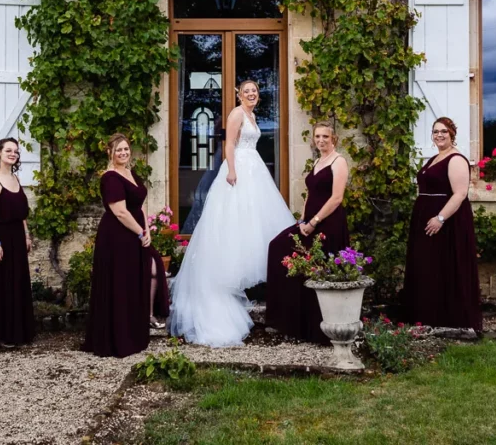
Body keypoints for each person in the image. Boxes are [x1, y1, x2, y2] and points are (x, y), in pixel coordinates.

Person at [168, 80, 295, 347]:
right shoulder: (237, 113)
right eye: (246, 91)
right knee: (234, 220)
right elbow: (229, 146)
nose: (251, 94)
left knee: (255, 223)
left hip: (255, 169)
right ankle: (226, 281)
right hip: (239, 169)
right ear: (238, 95)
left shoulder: (252, 114)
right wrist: (232, 171)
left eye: (255, 91)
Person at [82, 133, 169, 358]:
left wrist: (147, 230)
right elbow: (120, 211)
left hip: (136, 232)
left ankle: (141, 321)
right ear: (110, 153)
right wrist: (140, 232)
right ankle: (119, 336)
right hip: (117, 236)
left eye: (126, 149)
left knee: (150, 269)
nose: (123, 153)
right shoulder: (110, 178)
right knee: (121, 281)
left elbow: (138, 205)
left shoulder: (130, 173)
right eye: (118, 150)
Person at [265, 121, 349, 344]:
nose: (321, 140)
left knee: (318, 270)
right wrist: (303, 220)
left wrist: (315, 221)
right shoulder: (318, 161)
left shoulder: (338, 162)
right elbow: (310, 194)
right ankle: (291, 321)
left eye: (325, 137)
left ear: (334, 139)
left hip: (328, 224)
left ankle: (318, 330)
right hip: (309, 222)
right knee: (277, 247)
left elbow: (337, 198)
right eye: (318, 137)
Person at [402, 117, 482, 330]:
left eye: (444, 131)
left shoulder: (456, 159)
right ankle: (425, 315)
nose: (439, 135)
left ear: (452, 134)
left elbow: (460, 194)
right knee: (427, 266)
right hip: (425, 218)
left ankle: (448, 318)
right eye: (435, 131)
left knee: (444, 266)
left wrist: (440, 218)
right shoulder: (435, 158)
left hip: (447, 223)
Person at [0, 138, 36, 348]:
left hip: (17, 239)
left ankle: (17, 333)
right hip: (0, 237)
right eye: (8, 150)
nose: (13, 154)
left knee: (17, 284)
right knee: (1, 286)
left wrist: (27, 235)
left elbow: (22, 214)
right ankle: (0, 335)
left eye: (16, 152)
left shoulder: (15, 179)